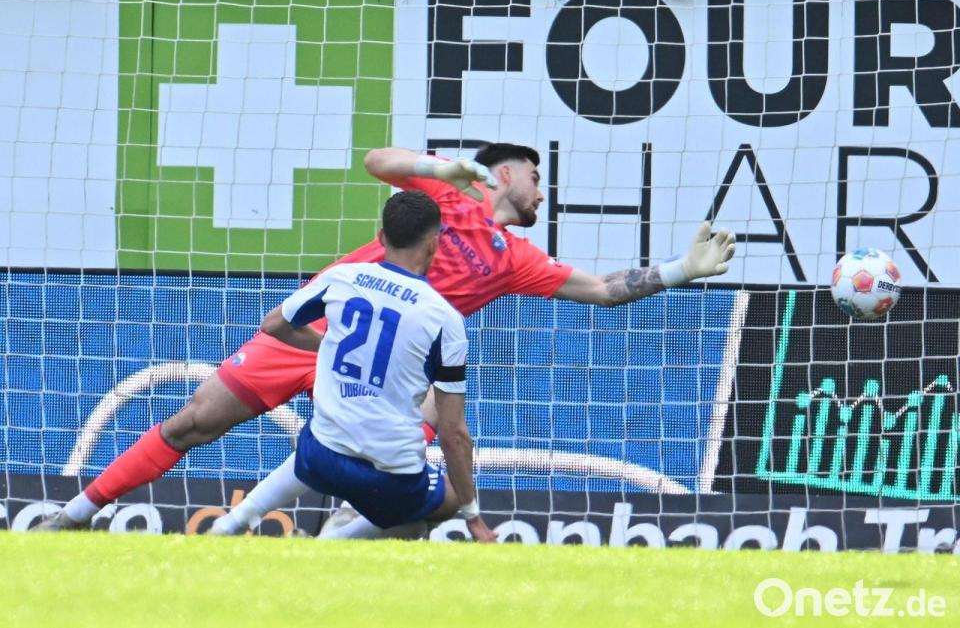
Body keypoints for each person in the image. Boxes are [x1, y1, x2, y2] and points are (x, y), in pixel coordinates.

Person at [37, 142, 735, 531]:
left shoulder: (516, 259)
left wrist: (681, 270)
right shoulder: (443, 197)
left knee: (423, 453)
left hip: (387, 376)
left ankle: (331, 540)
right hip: (318, 329)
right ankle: (75, 513)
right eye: (536, 177)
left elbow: (606, 290)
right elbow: (377, 161)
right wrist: (437, 169)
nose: (541, 192)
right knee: (195, 420)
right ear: (506, 173)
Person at [261, 190, 495, 541]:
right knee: (432, 504)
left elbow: (273, 325)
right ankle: (332, 541)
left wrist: (329, 346)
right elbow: (454, 434)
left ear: (382, 236)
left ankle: (236, 521)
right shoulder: (444, 317)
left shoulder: (345, 276)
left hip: (323, 449)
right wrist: (473, 518)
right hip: (391, 472)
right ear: (434, 244)